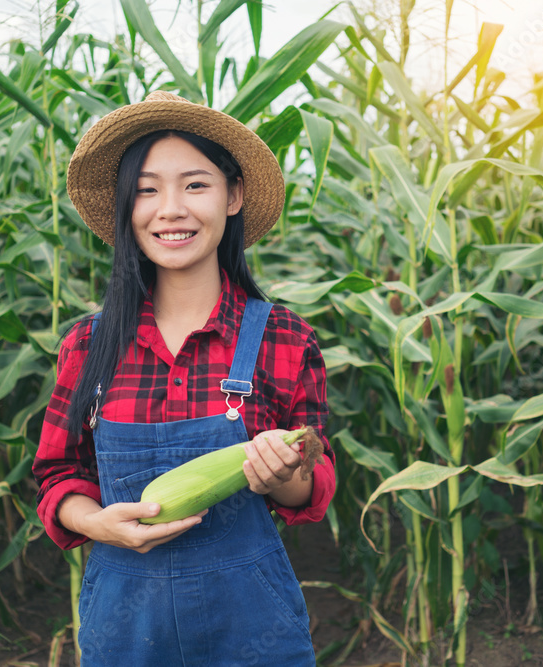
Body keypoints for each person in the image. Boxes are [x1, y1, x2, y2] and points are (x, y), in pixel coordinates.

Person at [33, 91, 335, 665]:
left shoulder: (284, 338)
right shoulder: (87, 346)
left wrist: (281, 473)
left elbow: (312, 484)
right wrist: (97, 522)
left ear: (234, 196)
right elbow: (57, 475)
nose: (169, 209)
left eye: (195, 185)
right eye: (146, 189)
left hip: (250, 629)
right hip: (126, 629)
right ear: (127, 208)